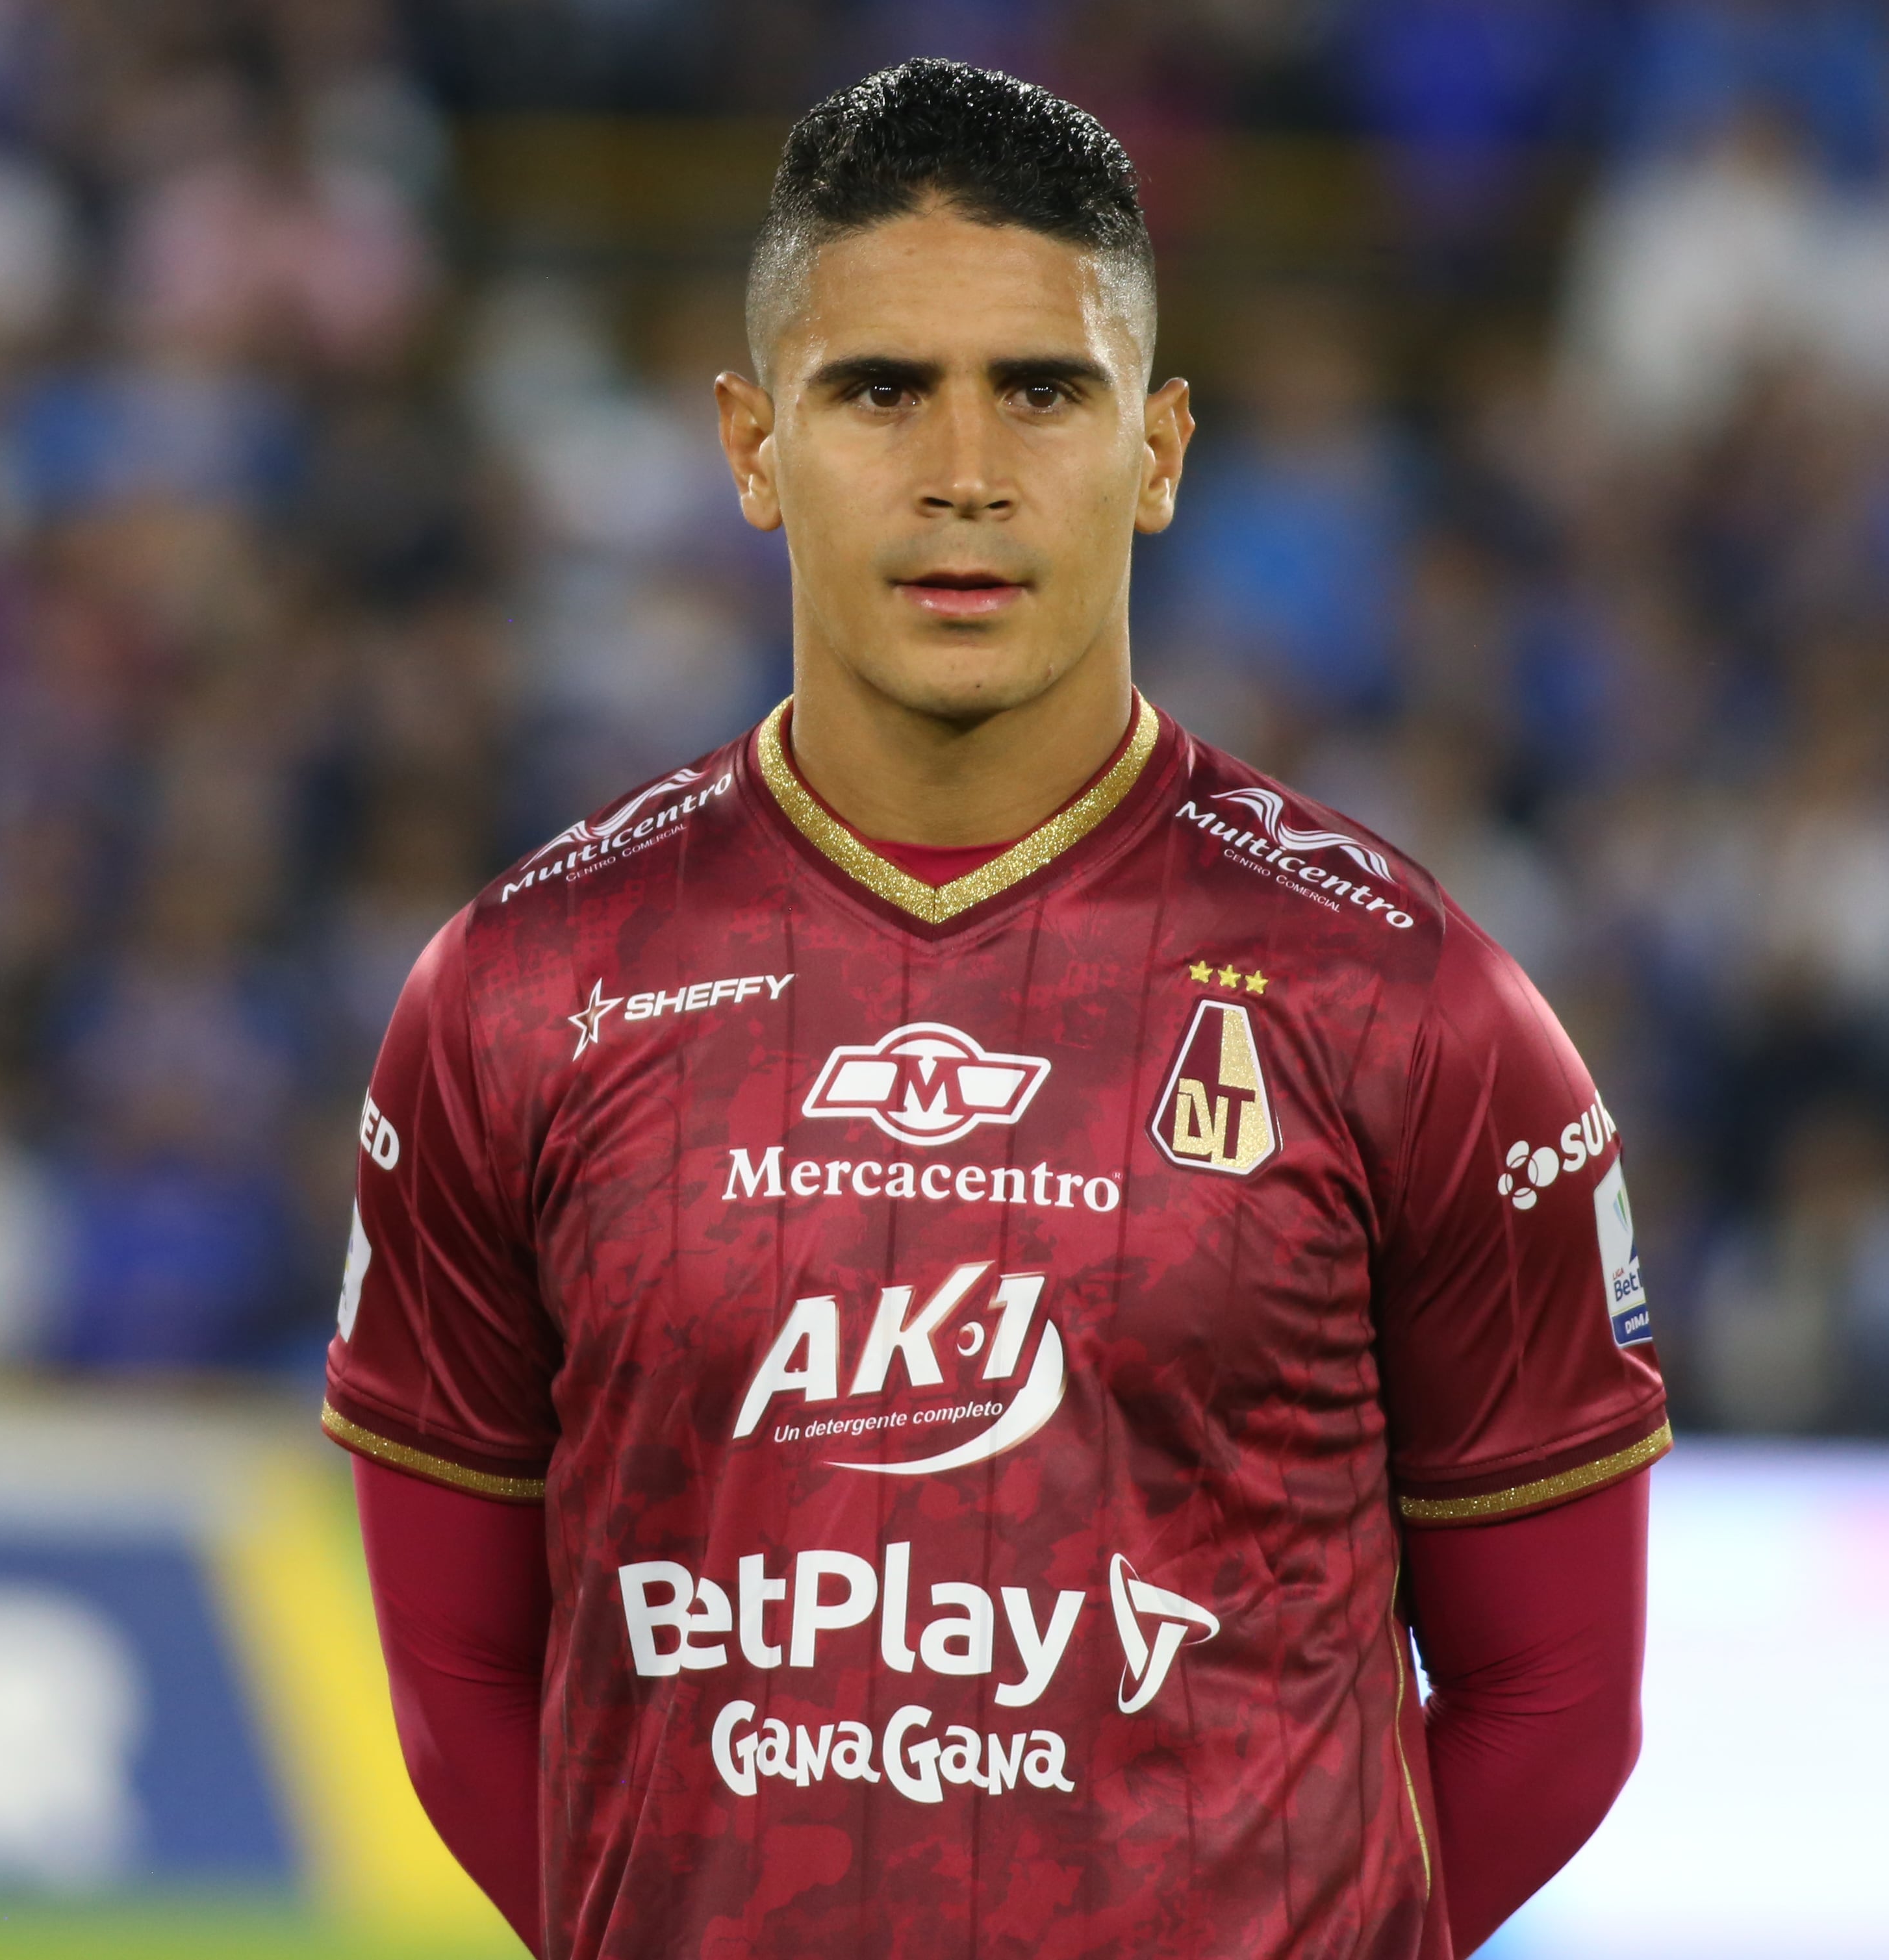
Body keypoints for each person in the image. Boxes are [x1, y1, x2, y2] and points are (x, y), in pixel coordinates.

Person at [325, 60, 1667, 1960]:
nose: (966, 467)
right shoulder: (524, 991)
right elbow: (462, 1671)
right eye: (879, 389)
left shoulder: (1411, 1001)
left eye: (1044, 389)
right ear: (750, 441)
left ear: (1164, 444)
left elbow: (1555, 1707)